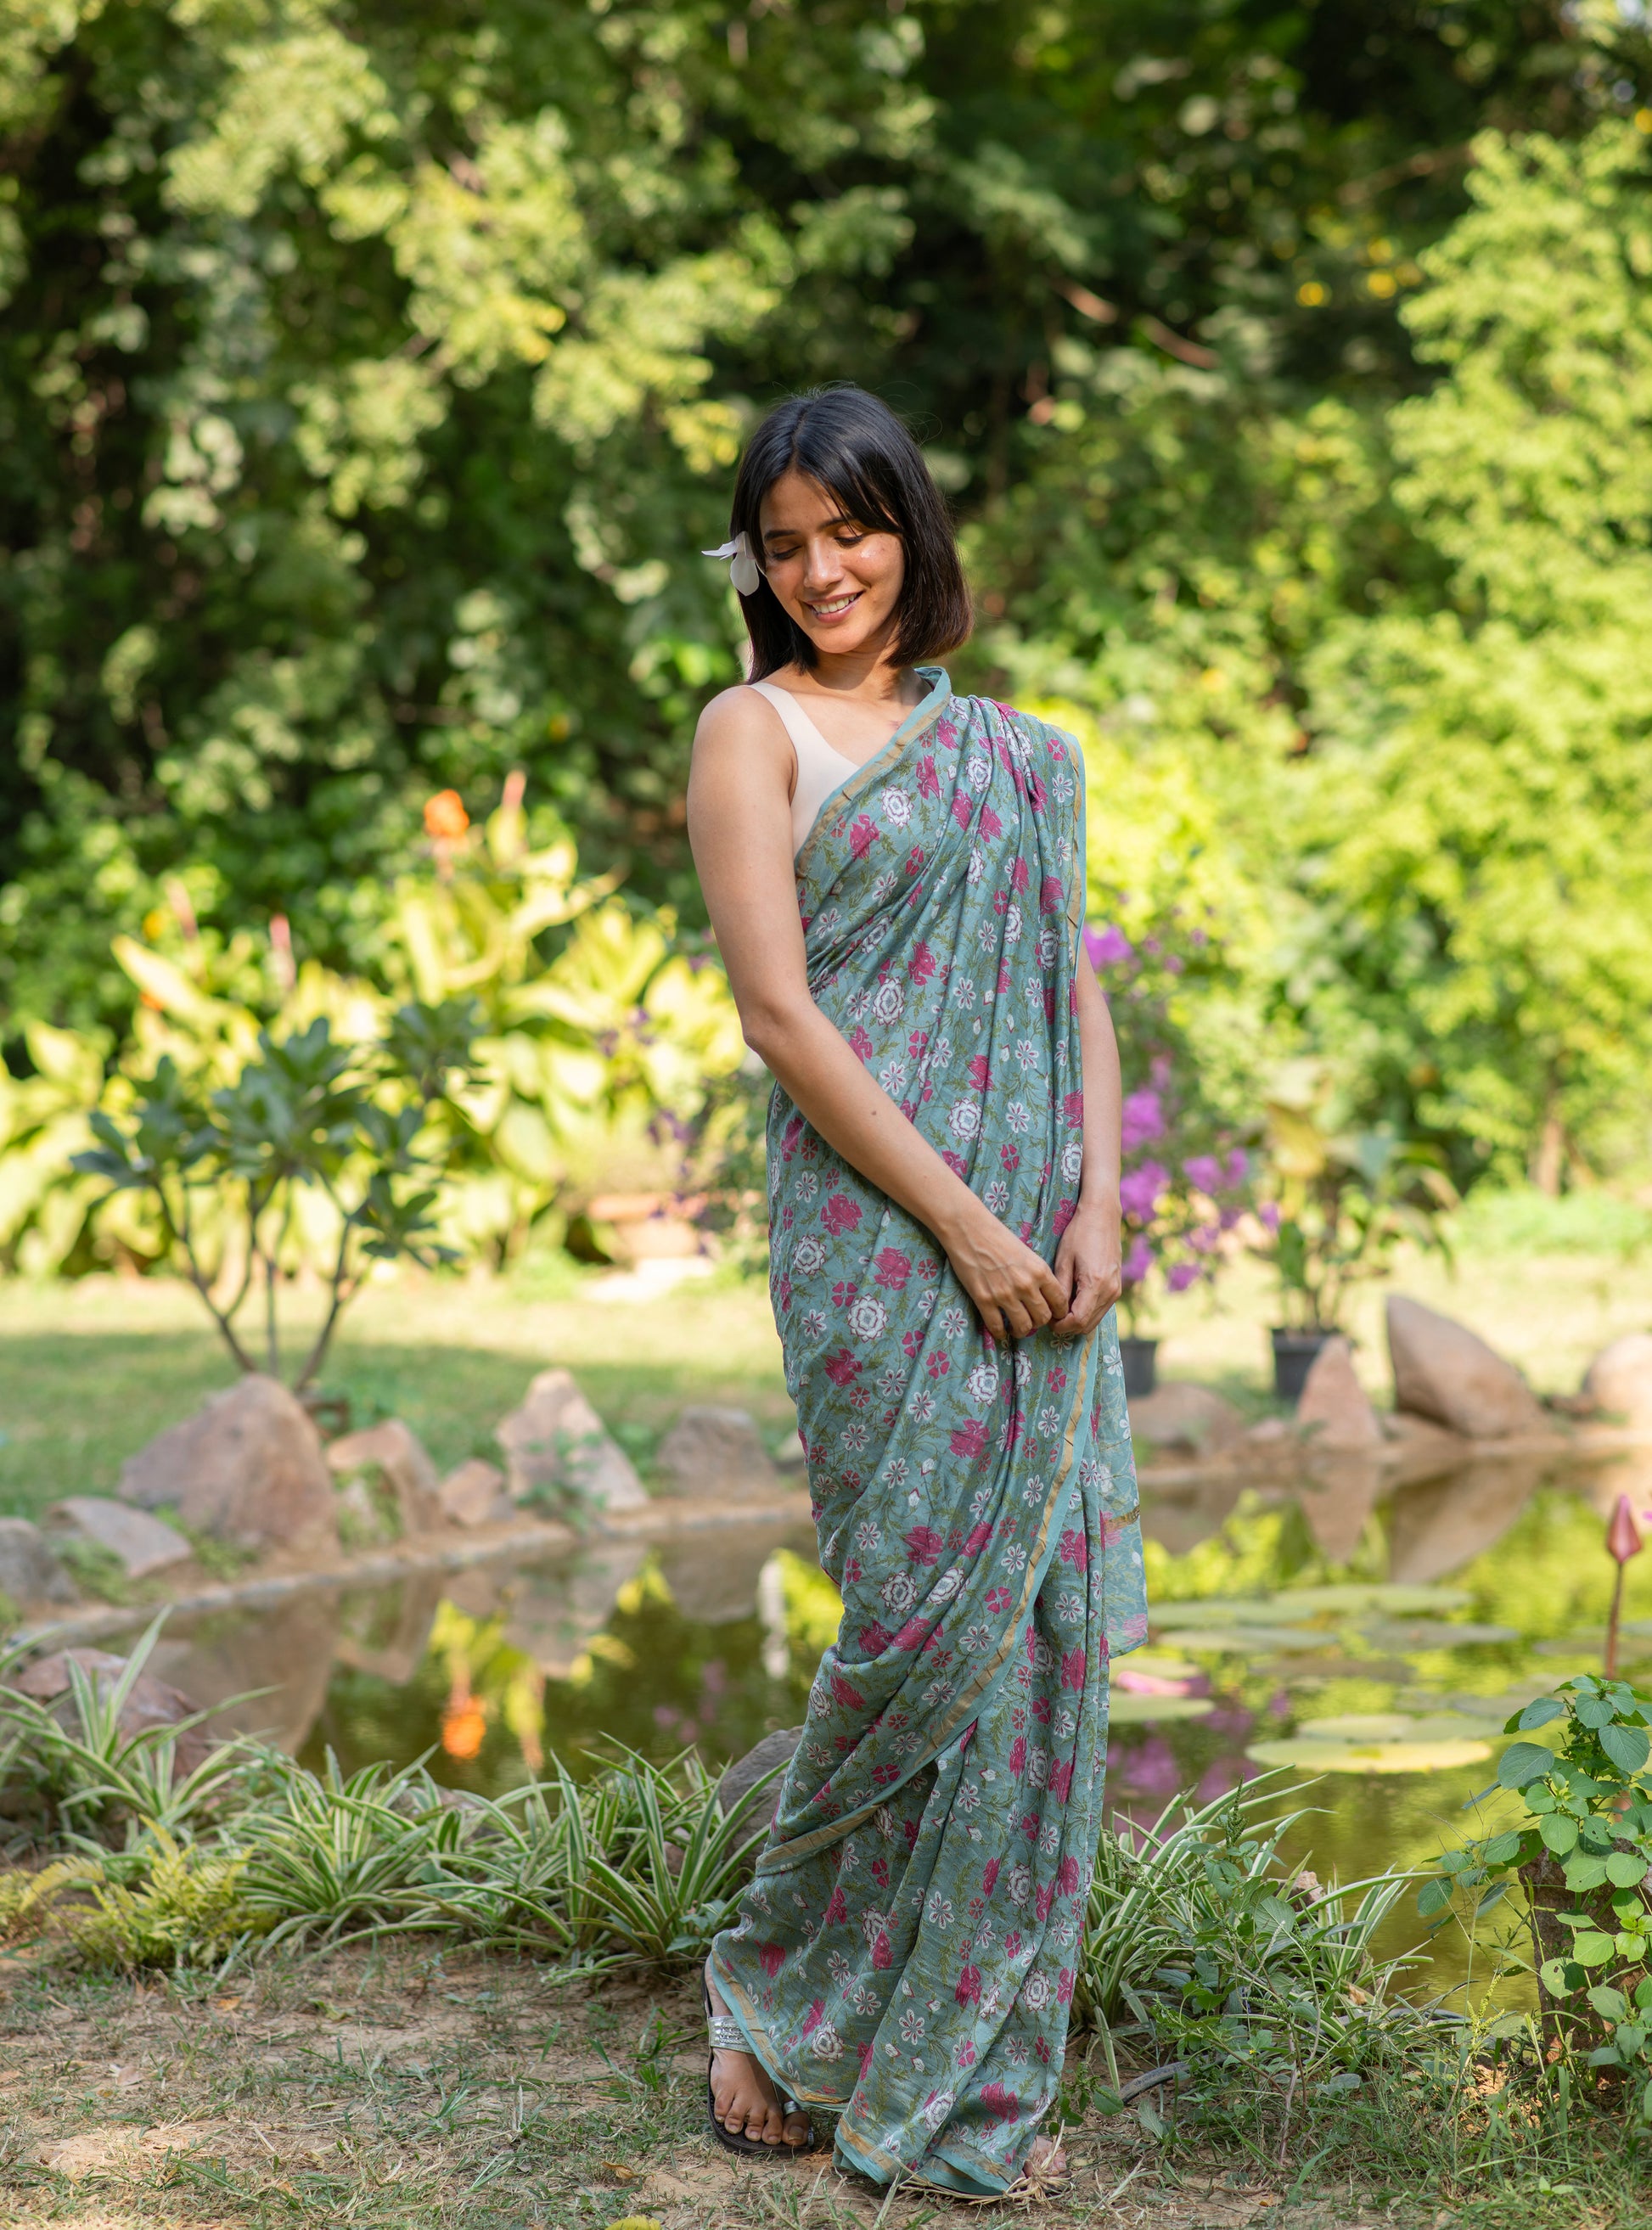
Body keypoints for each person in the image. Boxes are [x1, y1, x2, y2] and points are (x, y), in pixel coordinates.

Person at [686, 385, 1149, 2200]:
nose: (822, 572)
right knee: (910, 1626)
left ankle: (967, 2061)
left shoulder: (1019, 753)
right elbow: (778, 1015)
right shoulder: (751, 732)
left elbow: (1070, 979)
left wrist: (1099, 1200)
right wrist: (962, 1226)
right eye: (785, 545)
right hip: (882, 1240)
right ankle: (769, 1994)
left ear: (910, 529)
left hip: (1044, 1234)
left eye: (850, 531)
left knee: (1035, 1644)